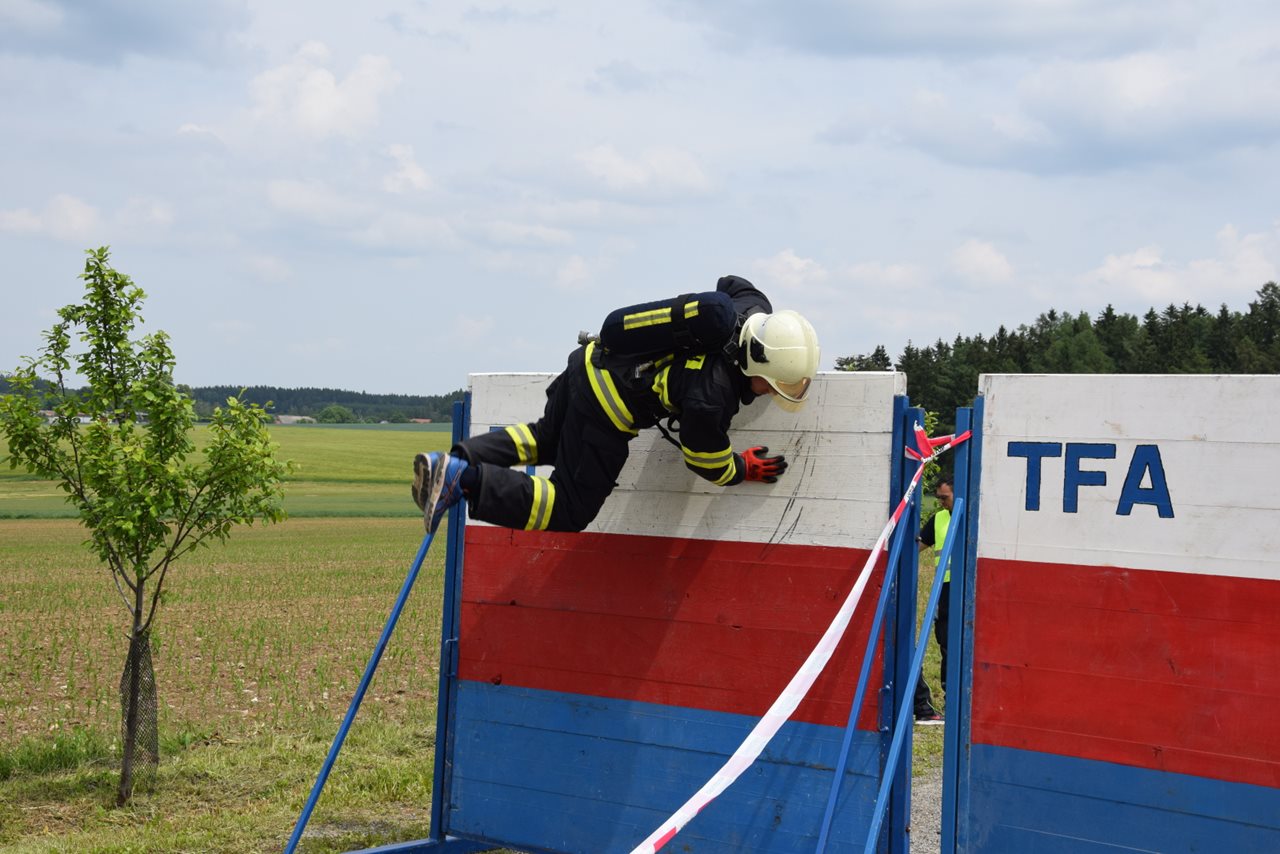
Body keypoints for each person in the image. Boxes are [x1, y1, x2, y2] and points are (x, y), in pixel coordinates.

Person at [411, 275, 821, 535]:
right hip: (606, 409)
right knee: (569, 509)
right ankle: (463, 481)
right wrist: (743, 468)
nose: (771, 392)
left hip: (587, 363)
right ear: (756, 363)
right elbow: (704, 460)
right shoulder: (712, 396)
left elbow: (732, 284)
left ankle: (450, 463)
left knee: (546, 438)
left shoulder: (750, 310)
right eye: (772, 384)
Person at [914, 475, 954, 725]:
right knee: (947, 644)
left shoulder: (974, 517)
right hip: (946, 590)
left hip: (969, 588)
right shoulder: (939, 519)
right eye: (938, 498)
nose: (940, 502)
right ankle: (951, 699)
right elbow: (916, 546)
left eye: (944, 498)